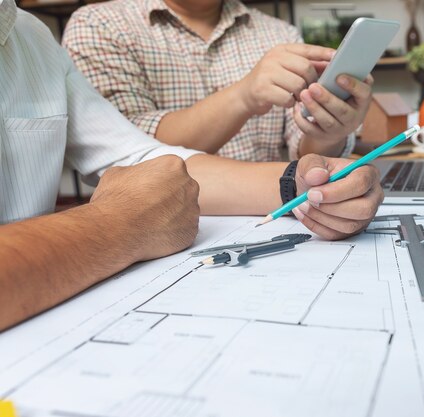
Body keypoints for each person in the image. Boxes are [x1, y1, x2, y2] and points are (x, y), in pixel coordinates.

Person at [0, 0, 383, 331]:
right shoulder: (99, 24)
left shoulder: (30, 34)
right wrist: (119, 222)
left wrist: (300, 181)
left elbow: (142, 157)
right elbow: (145, 167)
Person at [62, 0, 373, 161]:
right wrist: (243, 97)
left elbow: (306, 152)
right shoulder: (98, 25)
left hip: (270, 217)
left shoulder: (280, 33)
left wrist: (329, 130)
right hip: (151, 235)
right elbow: (124, 153)